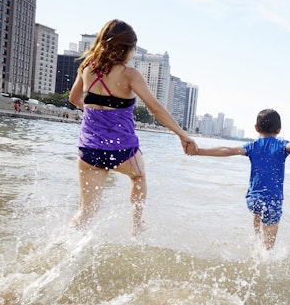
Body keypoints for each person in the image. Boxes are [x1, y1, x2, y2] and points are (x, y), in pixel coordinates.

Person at [68, 19, 197, 236]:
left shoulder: (87, 68)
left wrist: (95, 114)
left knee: (85, 212)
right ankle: (136, 225)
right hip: (121, 150)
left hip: (89, 150)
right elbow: (156, 108)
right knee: (138, 177)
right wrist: (183, 135)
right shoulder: (130, 75)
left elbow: (74, 98)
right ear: (126, 48)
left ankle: (66, 241)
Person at [187, 108, 290, 249]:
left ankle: (256, 238)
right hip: (273, 201)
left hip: (253, 200)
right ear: (279, 130)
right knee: (269, 246)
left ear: (256, 128)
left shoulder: (252, 146)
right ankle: (264, 253)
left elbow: (228, 150)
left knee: (257, 210)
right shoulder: (281, 146)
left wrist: (199, 151)